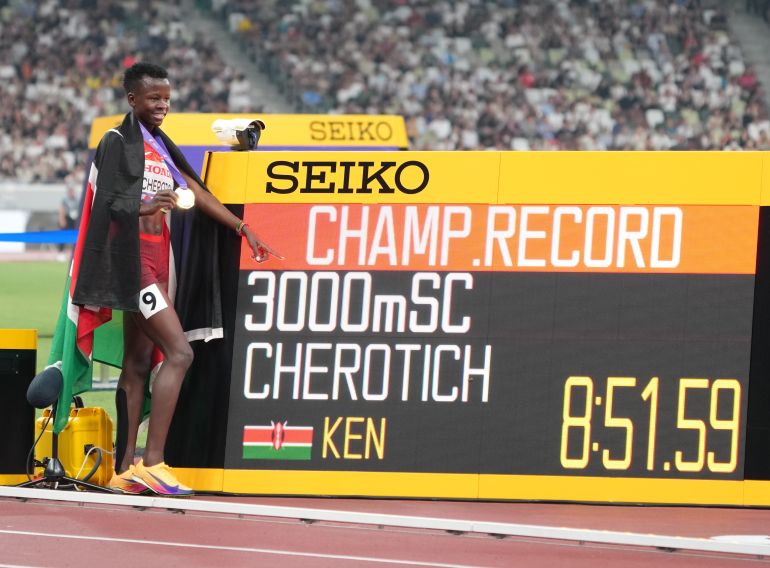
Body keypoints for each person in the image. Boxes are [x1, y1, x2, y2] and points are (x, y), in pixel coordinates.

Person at [72, 62, 274, 496]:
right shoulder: (116, 141)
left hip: (160, 260)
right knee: (179, 353)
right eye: (153, 98)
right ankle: (155, 461)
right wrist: (145, 208)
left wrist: (241, 227)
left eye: (166, 98)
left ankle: (125, 467)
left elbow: (196, 191)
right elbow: (104, 203)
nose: (162, 105)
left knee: (139, 363)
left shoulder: (160, 145)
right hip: (132, 264)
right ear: (132, 100)